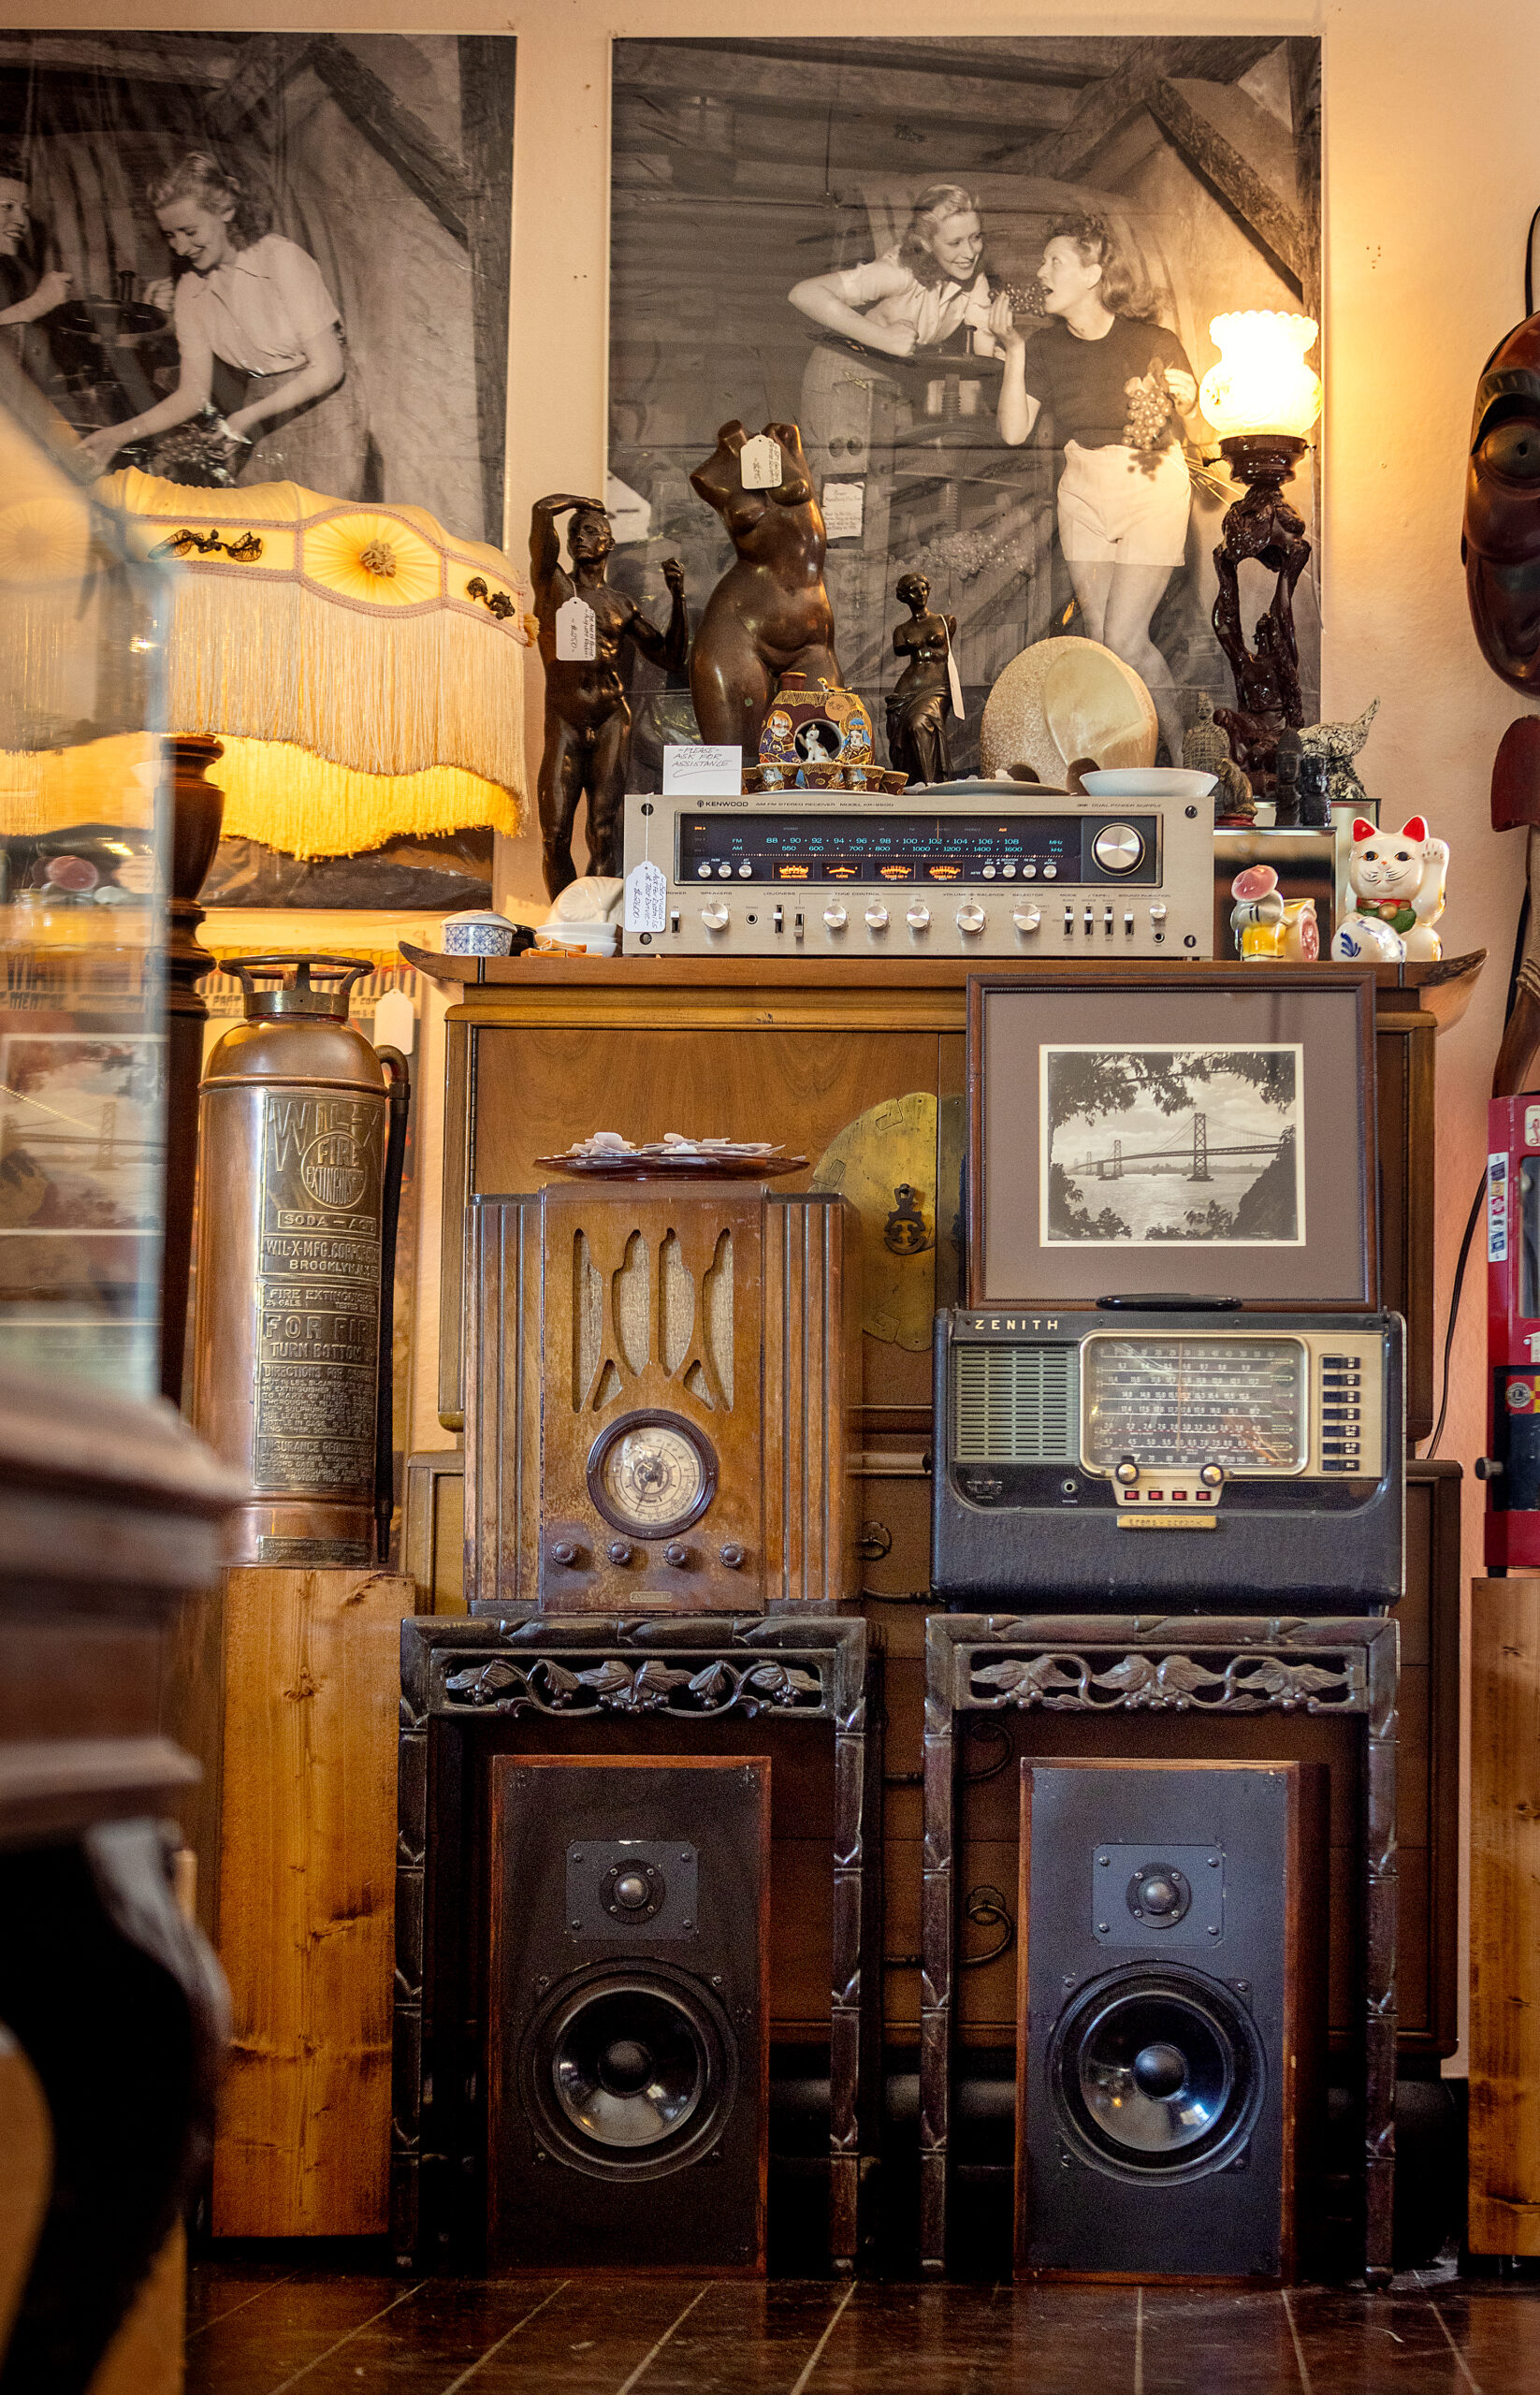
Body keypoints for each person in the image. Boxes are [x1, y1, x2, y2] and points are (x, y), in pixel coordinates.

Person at [993, 213, 1202, 760]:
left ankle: (1188, 757)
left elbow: (1202, 429)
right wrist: (1014, 349)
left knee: (1126, 639)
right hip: (1082, 487)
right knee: (1102, 640)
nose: (1041, 272)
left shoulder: (1154, 341)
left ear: (1092, 274)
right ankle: (1126, 762)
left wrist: (1189, 400)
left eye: (1054, 261)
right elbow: (1013, 431)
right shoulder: (1044, 347)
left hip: (1149, 485)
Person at [72, 152, 364, 492]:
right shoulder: (191, 290)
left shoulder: (280, 260)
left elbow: (328, 368)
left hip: (326, 405)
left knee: (322, 517)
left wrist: (246, 417)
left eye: (189, 231)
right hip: (261, 406)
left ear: (225, 209)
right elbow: (192, 394)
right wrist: (117, 435)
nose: (181, 247)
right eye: (170, 235)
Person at [529, 494, 689, 895]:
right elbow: (542, 511)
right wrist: (583, 502)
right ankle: (564, 918)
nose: (579, 538)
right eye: (573, 533)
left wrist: (679, 598)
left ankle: (597, 916)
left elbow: (671, 658)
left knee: (603, 830)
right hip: (565, 720)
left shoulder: (621, 604)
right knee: (554, 834)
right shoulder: (552, 585)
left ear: (609, 544)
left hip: (611, 718)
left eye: (589, 531)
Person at [789, 182, 999, 361]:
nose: (970, 253)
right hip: (843, 368)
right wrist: (883, 338)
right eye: (955, 243)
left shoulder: (972, 275)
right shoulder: (898, 272)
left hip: (894, 378)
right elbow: (804, 293)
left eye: (975, 237)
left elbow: (983, 349)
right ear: (926, 243)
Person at [886, 570, 957, 785]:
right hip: (907, 689)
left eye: (924, 589)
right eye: (914, 591)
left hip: (938, 686)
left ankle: (930, 785)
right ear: (904, 596)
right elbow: (900, 648)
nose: (921, 594)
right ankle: (913, 784)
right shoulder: (901, 630)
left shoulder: (945, 621)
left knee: (918, 724)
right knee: (905, 736)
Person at [0, 169, 72, 342]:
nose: (22, 221)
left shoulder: (13, 267)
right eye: (7, 206)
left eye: (25, 211)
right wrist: (39, 303)